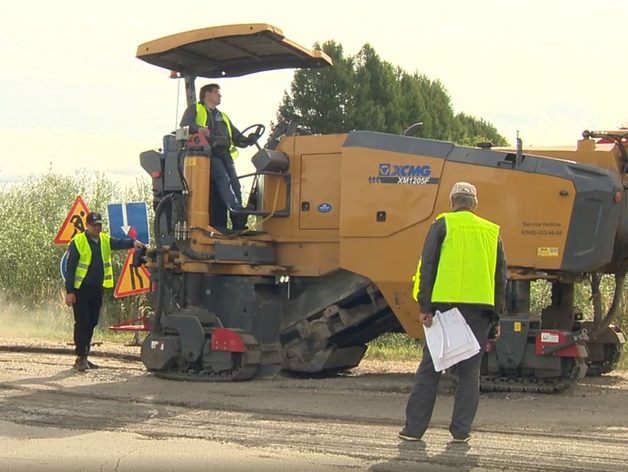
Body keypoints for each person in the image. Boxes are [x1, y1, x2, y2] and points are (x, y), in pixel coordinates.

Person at [400, 181, 507, 443]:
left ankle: (414, 430)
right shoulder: (492, 232)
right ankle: (461, 432)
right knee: (470, 374)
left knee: (431, 368)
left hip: (445, 309)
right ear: (475, 206)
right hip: (480, 312)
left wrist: (425, 307)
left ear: (452, 202)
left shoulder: (442, 224)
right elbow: (501, 278)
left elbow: (428, 267)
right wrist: (496, 318)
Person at [65, 212, 146, 371]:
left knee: (92, 322)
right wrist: (70, 291)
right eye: (95, 225)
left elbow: (118, 243)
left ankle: (85, 356)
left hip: (97, 289)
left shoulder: (104, 240)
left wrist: (133, 242)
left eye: (99, 225)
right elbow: (70, 269)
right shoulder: (78, 242)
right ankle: (80, 356)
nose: (98, 227)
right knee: (83, 322)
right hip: (81, 290)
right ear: (87, 226)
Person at [179, 83, 256, 230]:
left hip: (225, 155)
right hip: (208, 154)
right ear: (207, 94)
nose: (220, 95)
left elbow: (236, 136)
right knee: (224, 181)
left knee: (235, 185)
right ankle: (236, 210)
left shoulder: (222, 116)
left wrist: (247, 140)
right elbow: (185, 124)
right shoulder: (196, 109)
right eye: (217, 93)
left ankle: (238, 223)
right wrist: (198, 128)